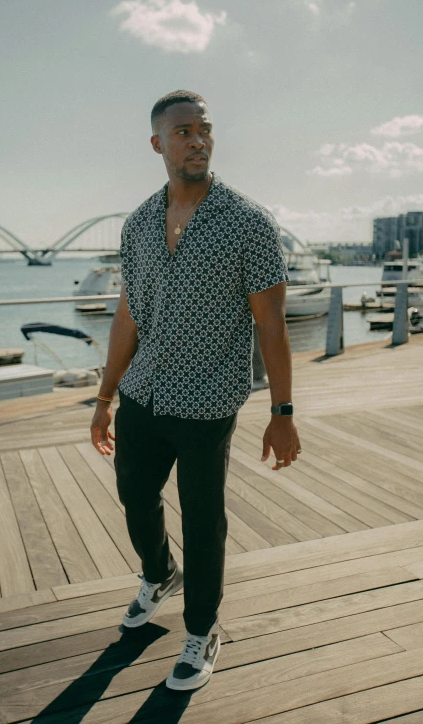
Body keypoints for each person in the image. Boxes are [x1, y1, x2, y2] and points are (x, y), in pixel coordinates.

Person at [90, 90, 301, 691]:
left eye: (204, 129)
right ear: (158, 144)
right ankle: (158, 574)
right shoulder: (137, 224)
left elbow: (271, 325)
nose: (198, 139)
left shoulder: (249, 222)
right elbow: (128, 316)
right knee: (134, 495)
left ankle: (201, 628)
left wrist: (282, 412)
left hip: (207, 402)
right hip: (144, 395)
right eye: (183, 131)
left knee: (204, 520)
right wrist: (105, 400)